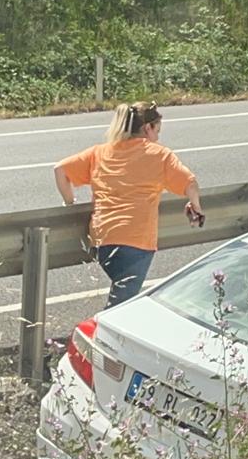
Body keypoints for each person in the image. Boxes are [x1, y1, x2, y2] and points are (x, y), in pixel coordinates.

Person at [53, 102, 205, 308]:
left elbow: (60, 170)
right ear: (147, 128)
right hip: (136, 240)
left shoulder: (100, 152)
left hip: (102, 240)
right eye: (157, 130)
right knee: (120, 306)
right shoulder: (159, 155)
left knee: (123, 296)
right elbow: (190, 183)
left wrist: (70, 203)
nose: (158, 137)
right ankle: (95, 336)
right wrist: (195, 205)